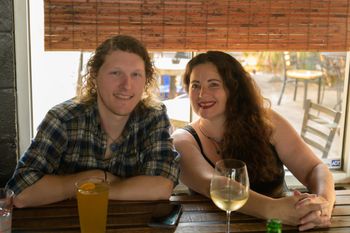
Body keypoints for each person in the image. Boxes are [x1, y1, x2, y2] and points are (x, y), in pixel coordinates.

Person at [6, 35, 179, 207]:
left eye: (136, 74)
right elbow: (21, 192)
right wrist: (94, 177)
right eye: (116, 73)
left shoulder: (153, 117)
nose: (126, 85)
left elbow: (162, 186)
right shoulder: (64, 119)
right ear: (95, 76)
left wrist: (92, 189)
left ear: (146, 81)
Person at [172, 51, 335, 231]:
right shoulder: (182, 140)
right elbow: (214, 184)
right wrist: (274, 209)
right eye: (195, 85)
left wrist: (323, 204)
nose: (202, 93)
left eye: (214, 84)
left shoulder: (267, 122)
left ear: (233, 88)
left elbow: (316, 168)